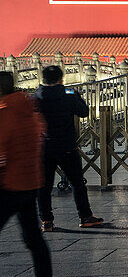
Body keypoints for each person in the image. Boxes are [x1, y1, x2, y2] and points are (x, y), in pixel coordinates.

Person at [0, 71, 54, 277]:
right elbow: (41, 137)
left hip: (8, 185)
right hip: (30, 183)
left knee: (33, 237)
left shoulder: (4, 113)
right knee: (34, 239)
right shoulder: (31, 111)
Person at [34, 65, 102, 231]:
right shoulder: (68, 95)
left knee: (44, 186)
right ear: (60, 79)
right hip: (66, 146)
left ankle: (46, 221)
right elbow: (84, 112)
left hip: (43, 148)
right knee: (77, 183)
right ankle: (85, 217)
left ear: (42, 80)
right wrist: (76, 95)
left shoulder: (34, 97)